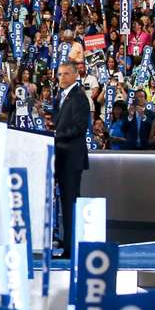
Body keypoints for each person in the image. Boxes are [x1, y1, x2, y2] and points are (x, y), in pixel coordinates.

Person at [52, 59, 91, 256]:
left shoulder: (78, 97)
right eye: (60, 74)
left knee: (71, 204)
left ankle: (72, 247)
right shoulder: (63, 96)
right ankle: (68, 244)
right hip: (61, 157)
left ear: (76, 75)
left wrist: (56, 134)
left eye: (66, 73)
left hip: (71, 158)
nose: (62, 77)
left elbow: (79, 127)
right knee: (65, 204)